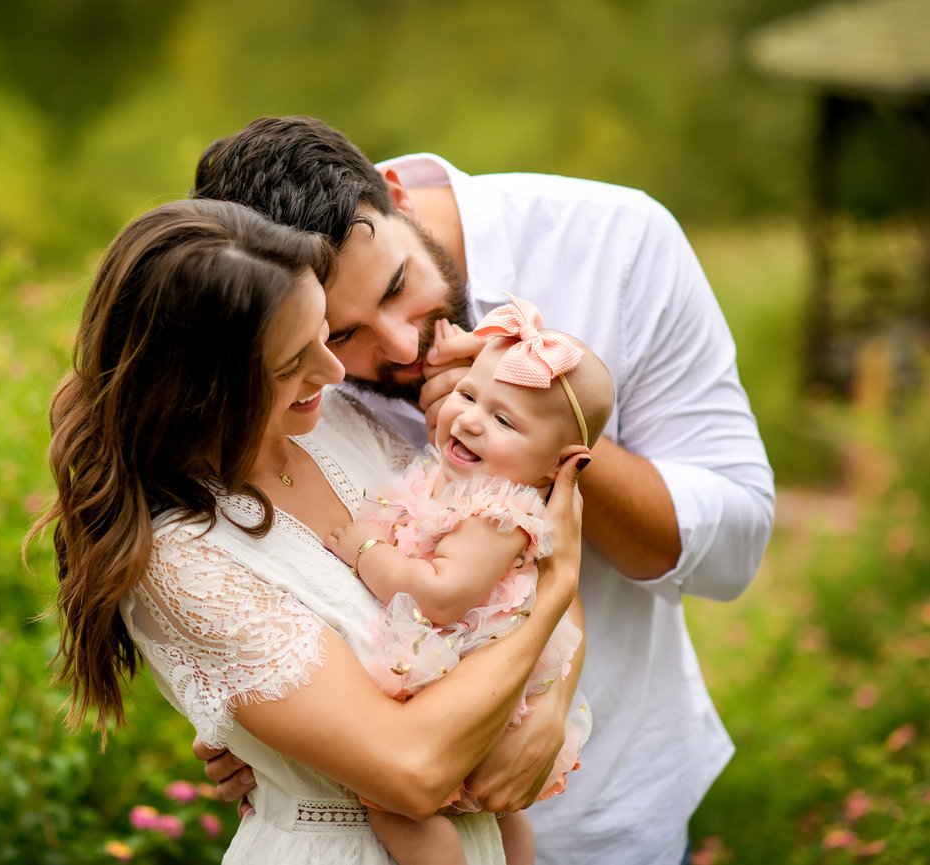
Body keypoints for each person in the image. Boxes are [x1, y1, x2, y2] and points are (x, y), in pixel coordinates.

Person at [190, 116, 776, 864]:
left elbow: (734, 551)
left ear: (394, 191)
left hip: (610, 808)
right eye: (340, 336)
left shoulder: (616, 242)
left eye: (398, 287)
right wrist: (263, 727)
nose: (400, 347)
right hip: (374, 819)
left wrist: (544, 436)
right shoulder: (277, 348)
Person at [29, 197, 592, 864]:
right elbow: (411, 770)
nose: (332, 372)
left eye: (326, 335)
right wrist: (560, 584)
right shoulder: (179, 557)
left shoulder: (339, 422)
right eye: (292, 361)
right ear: (206, 388)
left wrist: (553, 701)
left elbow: (503, 572)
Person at [325, 297, 615, 865]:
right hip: (464, 677)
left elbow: (439, 594)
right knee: (499, 819)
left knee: (393, 804)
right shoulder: (456, 483)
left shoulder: (499, 511)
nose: (472, 419)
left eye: (504, 421)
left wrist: (366, 553)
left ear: (555, 468)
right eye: (469, 395)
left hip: (462, 681)